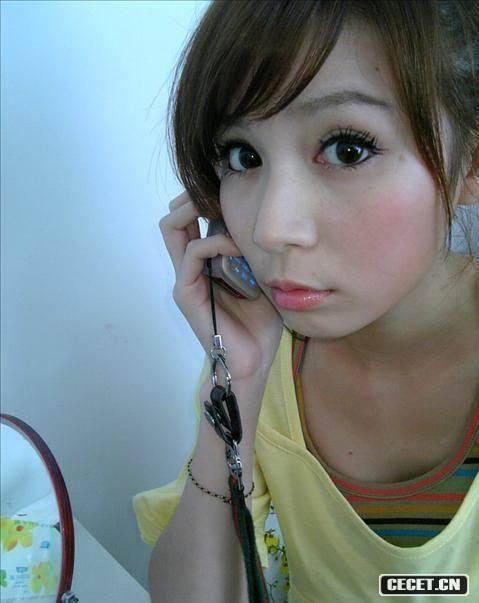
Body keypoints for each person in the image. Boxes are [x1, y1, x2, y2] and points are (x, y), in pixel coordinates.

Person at [134, 1, 479, 601]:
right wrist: (237, 382)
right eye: (243, 157)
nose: (270, 228)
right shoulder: (263, 363)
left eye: (348, 149)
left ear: (470, 163)